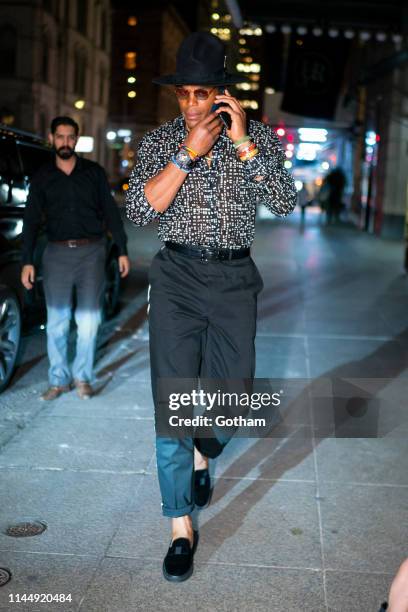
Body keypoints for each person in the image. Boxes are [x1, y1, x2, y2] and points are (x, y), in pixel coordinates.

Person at [126, 32, 297, 582]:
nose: (193, 104)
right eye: (185, 94)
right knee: (172, 405)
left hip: (233, 278)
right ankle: (180, 526)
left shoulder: (257, 139)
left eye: (203, 93)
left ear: (222, 92)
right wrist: (186, 155)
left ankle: (206, 448)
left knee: (235, 395)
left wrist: (245, 143)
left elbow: (286, 202)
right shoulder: (160, 142)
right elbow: (139, 210)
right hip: (176, 276)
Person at [21, 116, 130, 401]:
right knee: (57, 322)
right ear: (52, 138)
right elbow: (31, 220)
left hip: (91, 254)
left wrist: (121, 250)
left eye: (70, 137)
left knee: (89, 321)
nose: (65, 142)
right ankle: (59, 380)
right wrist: (27, 261)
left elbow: (110, 212)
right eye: (60, 137)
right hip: (56, 255)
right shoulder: (43, 177)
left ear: (77, 139)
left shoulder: (93, 173)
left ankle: (82, 377)